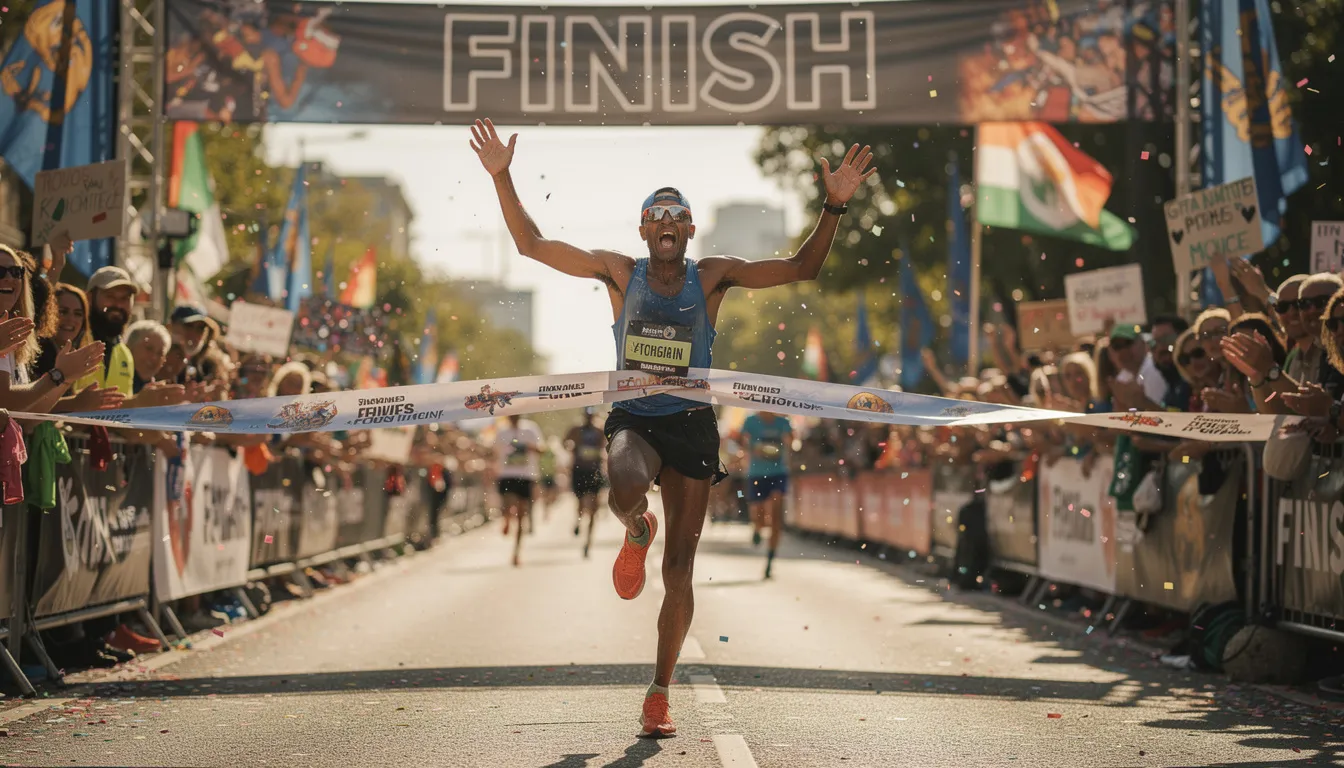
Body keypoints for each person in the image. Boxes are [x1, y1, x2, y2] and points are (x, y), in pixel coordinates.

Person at [471, 117, 875, 737]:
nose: (666, 223)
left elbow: (801, 269)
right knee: (626, 482)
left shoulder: (711, 276)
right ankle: (636, 528)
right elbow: (532, 245)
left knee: (679, 573)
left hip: (692, 423)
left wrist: (834, 207)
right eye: (655, 216)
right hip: (635, 417)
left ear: (688, 230)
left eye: (676, 216)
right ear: (643, 229)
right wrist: (503, 177)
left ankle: (659, 692)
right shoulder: (619, 272)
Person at [738, 411, 793, 579]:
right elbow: (741, 441)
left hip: (778, 473)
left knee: (776, 517)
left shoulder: (783, 421)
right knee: (760, 516)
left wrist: (785, 446)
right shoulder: (750, 420)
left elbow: (792, 442)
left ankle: (770, 561)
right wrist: (754, 449)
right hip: (756, 474)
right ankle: (757, 527)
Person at [492, 413, 543, 567]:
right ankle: (507, 517)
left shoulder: (531, 429)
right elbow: (494, 451)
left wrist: (528, 447)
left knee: (522, 516)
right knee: (508, 504)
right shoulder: (501, 431)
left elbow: (542, 449)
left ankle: (516, 552)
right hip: (506, 474)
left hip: (526, 475)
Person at [564, 408, 607, 558]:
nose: (589, 419)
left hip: (594, 472)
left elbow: (608, 445)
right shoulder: (576, 430)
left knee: (594, 509)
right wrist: (572, 446)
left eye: (591, 416)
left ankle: (588, 543)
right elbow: (565, 442)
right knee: (581, 505)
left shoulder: (600, 430)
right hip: (579, 471)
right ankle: (578, 521)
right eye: (587, 416)